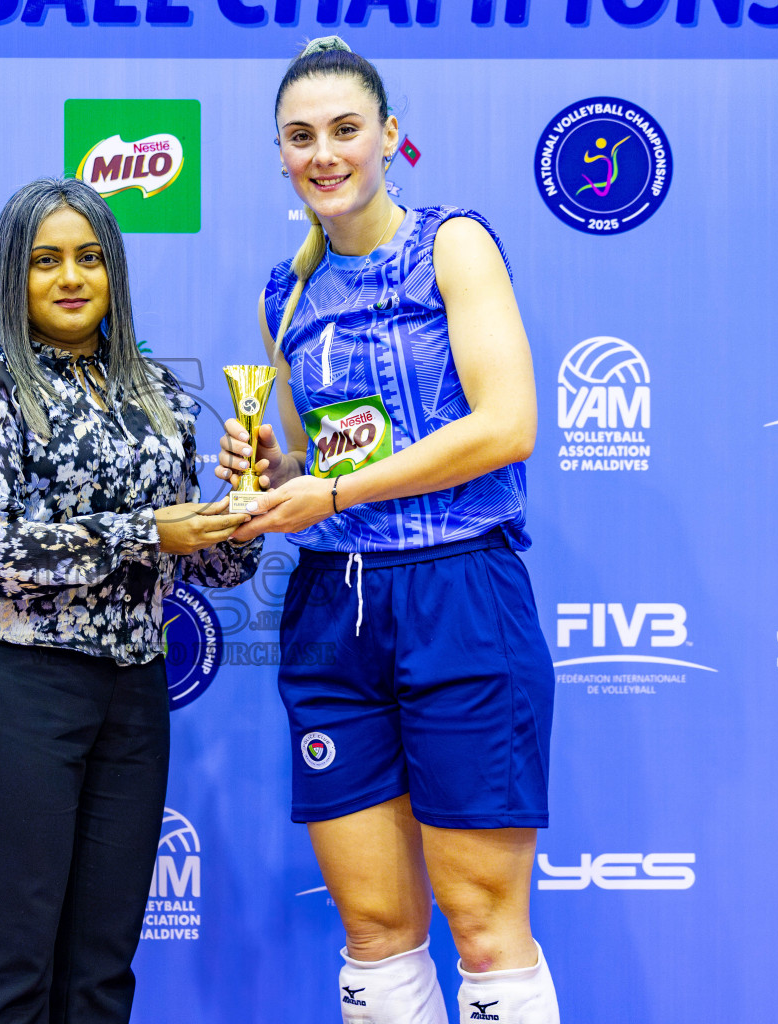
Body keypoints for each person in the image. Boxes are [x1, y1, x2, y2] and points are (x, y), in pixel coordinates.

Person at [218, 38, 560, 1024]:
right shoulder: (281, 296)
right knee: (373, 922)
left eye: (344, 130)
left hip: (460, 588)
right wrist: (271, 476)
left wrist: (327, 492)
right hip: (336, 606)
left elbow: (507, 425)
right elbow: (309, 461)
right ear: (280, 154)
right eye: (300, 136)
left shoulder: (451, 243)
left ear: (389, 139)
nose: (324, 152)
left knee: (484, 920)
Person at [0, 177, 261, 1024]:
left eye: (89, 257)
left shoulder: (156, 391)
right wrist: (148, 530)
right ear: (14, 275)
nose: (70, 277)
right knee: (13, 963)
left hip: (133, 689)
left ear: (114, 270)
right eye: (46, 261)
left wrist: (244, 503)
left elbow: (217, 573)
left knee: (104, 966)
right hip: (15, 684)